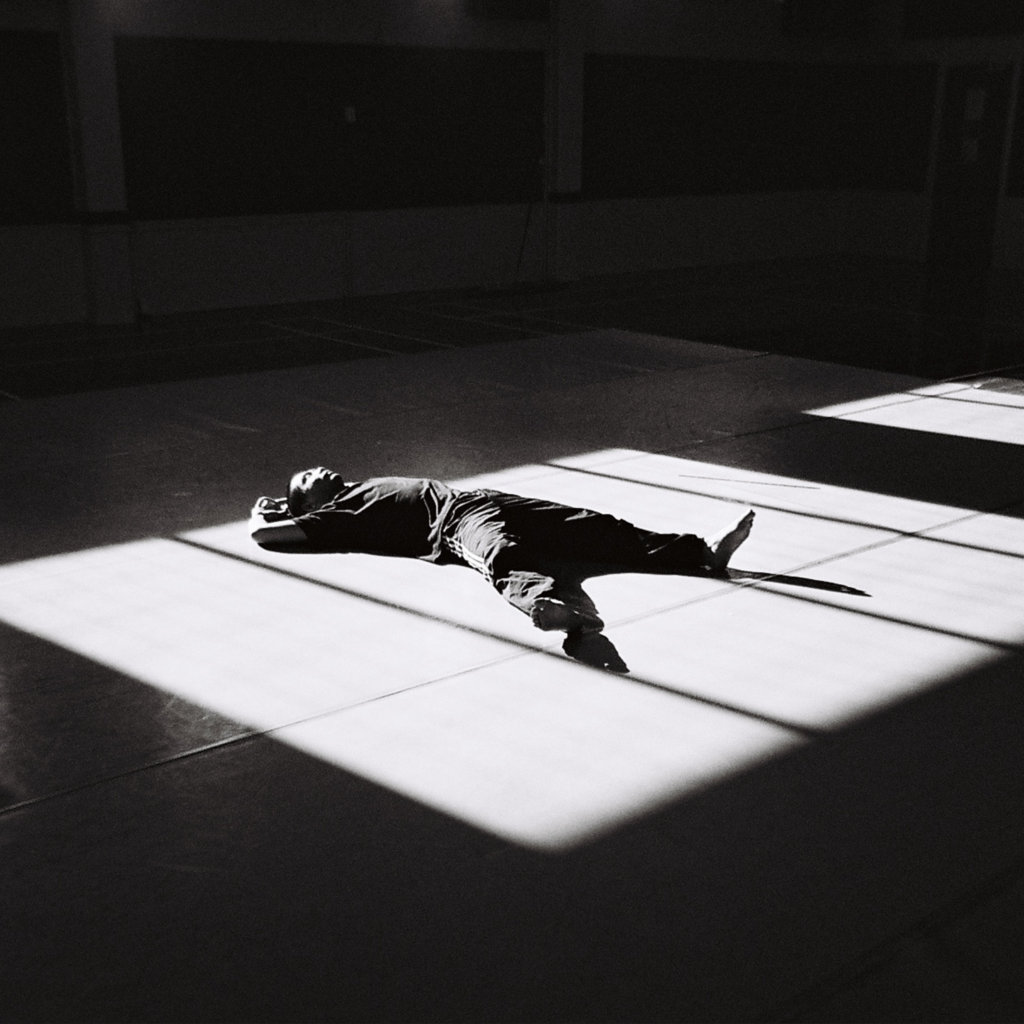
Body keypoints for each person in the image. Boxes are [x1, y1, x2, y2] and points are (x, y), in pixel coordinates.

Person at [250, 467, 754, 671]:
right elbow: (264, 537)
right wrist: (262, 513)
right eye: (307, 478)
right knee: (499, 553)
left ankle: (701, 552)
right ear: (305, 504)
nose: (319, 470)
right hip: (453, 523)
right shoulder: (334, 518)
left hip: (483, 498)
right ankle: (553, 606)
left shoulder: (357, 489)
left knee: (593, 527)